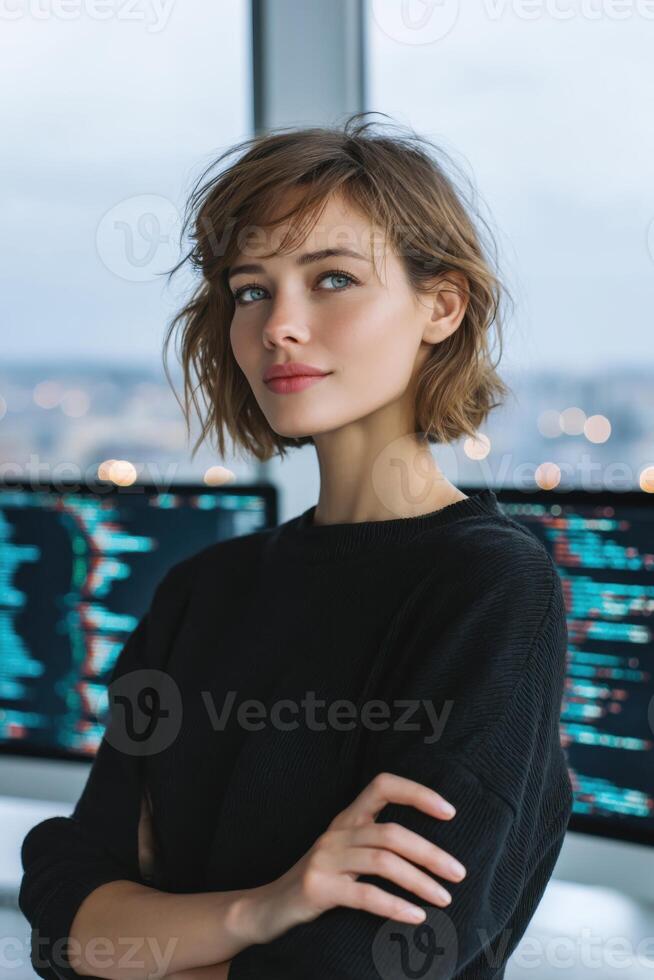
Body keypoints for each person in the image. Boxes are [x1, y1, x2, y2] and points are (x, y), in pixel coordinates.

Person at [19, 112, 574, 980]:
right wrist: (266, 907)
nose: (278, 325)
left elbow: (367, 959)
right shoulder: (201, 589)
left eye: (333, 279)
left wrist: (152, 939)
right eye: (251, 289)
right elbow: (61, 905)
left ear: (442, 305)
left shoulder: (490, 586)